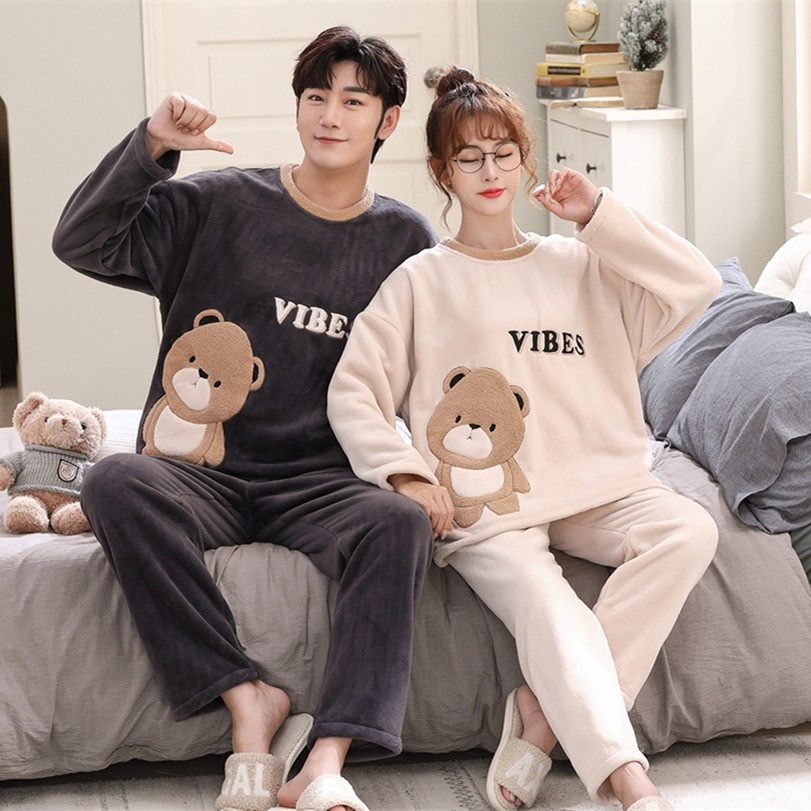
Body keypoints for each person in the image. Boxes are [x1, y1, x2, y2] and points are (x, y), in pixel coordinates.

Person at [52, 26, 437, 811]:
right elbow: (81, 239)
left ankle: (327, 756)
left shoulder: (404, 239)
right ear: (297, 107)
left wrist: (416, 472)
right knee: (116, 481)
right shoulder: (217, 203)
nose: (329, 116)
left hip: (321, 481)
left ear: (387, 121)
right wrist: (153, 145)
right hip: (202, 472)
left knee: (398, 523)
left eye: (352, 101)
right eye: (315, 97)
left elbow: (424, 375)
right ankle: (245, 701)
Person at [327, 68, 721, 811]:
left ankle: (540, 721)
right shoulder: (420, 281)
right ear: (442, 170)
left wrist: (597, 214)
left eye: (504, 154)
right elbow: (354, 390)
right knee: (550, 607)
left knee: (688, 529)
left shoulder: (580, 263)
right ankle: (627, 780)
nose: (489, 172)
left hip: (598, 485)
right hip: (489, 508)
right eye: (469, 158)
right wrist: (405, 472)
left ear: (525, 161)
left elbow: (694, 283)